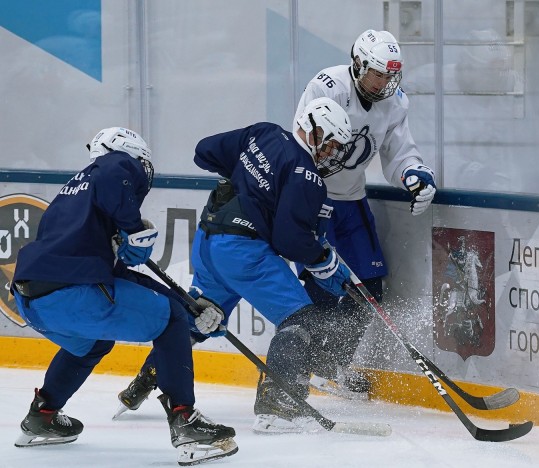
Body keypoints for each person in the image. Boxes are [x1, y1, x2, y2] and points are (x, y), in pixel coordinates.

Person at [116, 97, 354, 434]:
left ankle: (144, 381)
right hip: (243, 252)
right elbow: (290, 240)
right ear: (314, 131)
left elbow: (204, 152)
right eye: (329, 145)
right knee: (299, 320)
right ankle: (277, 403)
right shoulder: (307, 176)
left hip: (209, 240)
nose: (330, 154)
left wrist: (250, 185)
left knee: (200, 316)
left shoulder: (264, 133)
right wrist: (325, 262)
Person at [10, 127, 238, 465]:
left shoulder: (75, 197)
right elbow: (118, 172)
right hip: (74, 292)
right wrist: (132, 228)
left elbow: (116, 278)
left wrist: (192, 308)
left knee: (94, 342)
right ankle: (186, 422)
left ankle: (41, 416)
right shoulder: (115, 165)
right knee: (170, 319)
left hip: (31, 298)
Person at [292, 29, 438, 399]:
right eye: (378, 74)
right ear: (357, 65)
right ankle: (300, 366)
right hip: (316, 198)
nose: (386, 83)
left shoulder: (395, 103)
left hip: (352, 199)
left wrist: (414, 173)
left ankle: (332, 363)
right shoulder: (327, 87)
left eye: (392, 76)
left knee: (370, 288)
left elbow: (398, 151)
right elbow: (303, 143)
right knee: (319, 286)